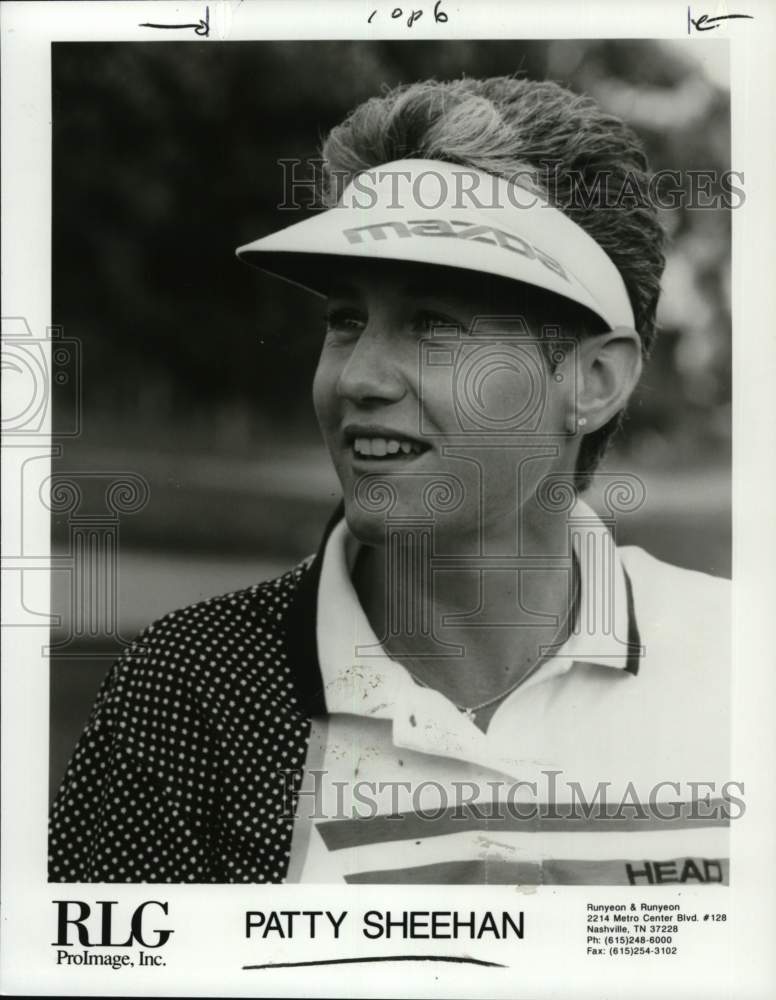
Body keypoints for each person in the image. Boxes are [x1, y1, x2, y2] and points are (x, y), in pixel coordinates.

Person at [49, 76, 731, 886]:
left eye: (433, 324)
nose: (359, 377)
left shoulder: (737, 664)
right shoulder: (191, 693)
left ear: (591, 381)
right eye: (346, 320)